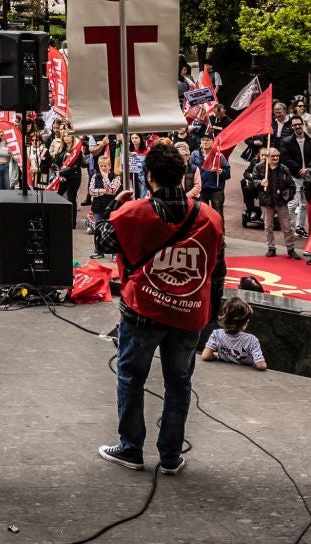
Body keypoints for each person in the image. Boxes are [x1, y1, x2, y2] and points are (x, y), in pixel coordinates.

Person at [96, 140, 226, 475]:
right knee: (179, 382)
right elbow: (217, 268)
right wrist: (210, 312)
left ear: (148, 175)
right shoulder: (210, 217)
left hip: (143, 310)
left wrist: (115, 205)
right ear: (183, 174)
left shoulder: (134, 212)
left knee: (131, 376)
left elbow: (103, 241)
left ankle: (131, 448)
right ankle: (170, 455)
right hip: (190, 311)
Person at [200, 297, 266, 370]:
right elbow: (261, 365)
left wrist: (216, 355)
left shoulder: (216, 334)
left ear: (224, 318)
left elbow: (205, 356)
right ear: (245, 323)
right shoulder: (252, 340)